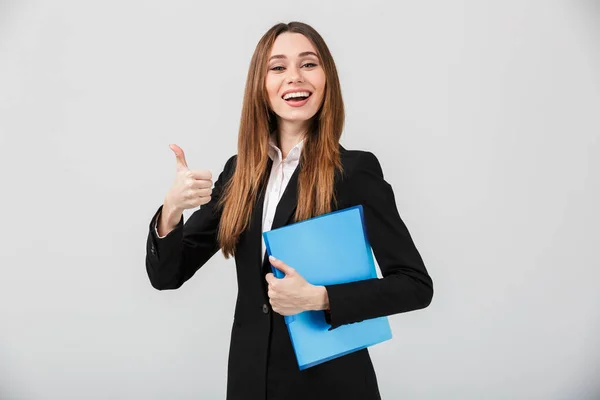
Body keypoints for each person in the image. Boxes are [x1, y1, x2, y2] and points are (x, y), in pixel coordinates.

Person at [145, 21, 433, 400]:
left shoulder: (355, 172)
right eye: (277, 67)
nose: (294, 78)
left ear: (327, 78)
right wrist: (171, 210)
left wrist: (322, 299)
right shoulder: (240, 173)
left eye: (309, 64)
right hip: (251, 383)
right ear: (260, 86)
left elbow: (415, 286)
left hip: (330, 386)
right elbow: (168, 274)